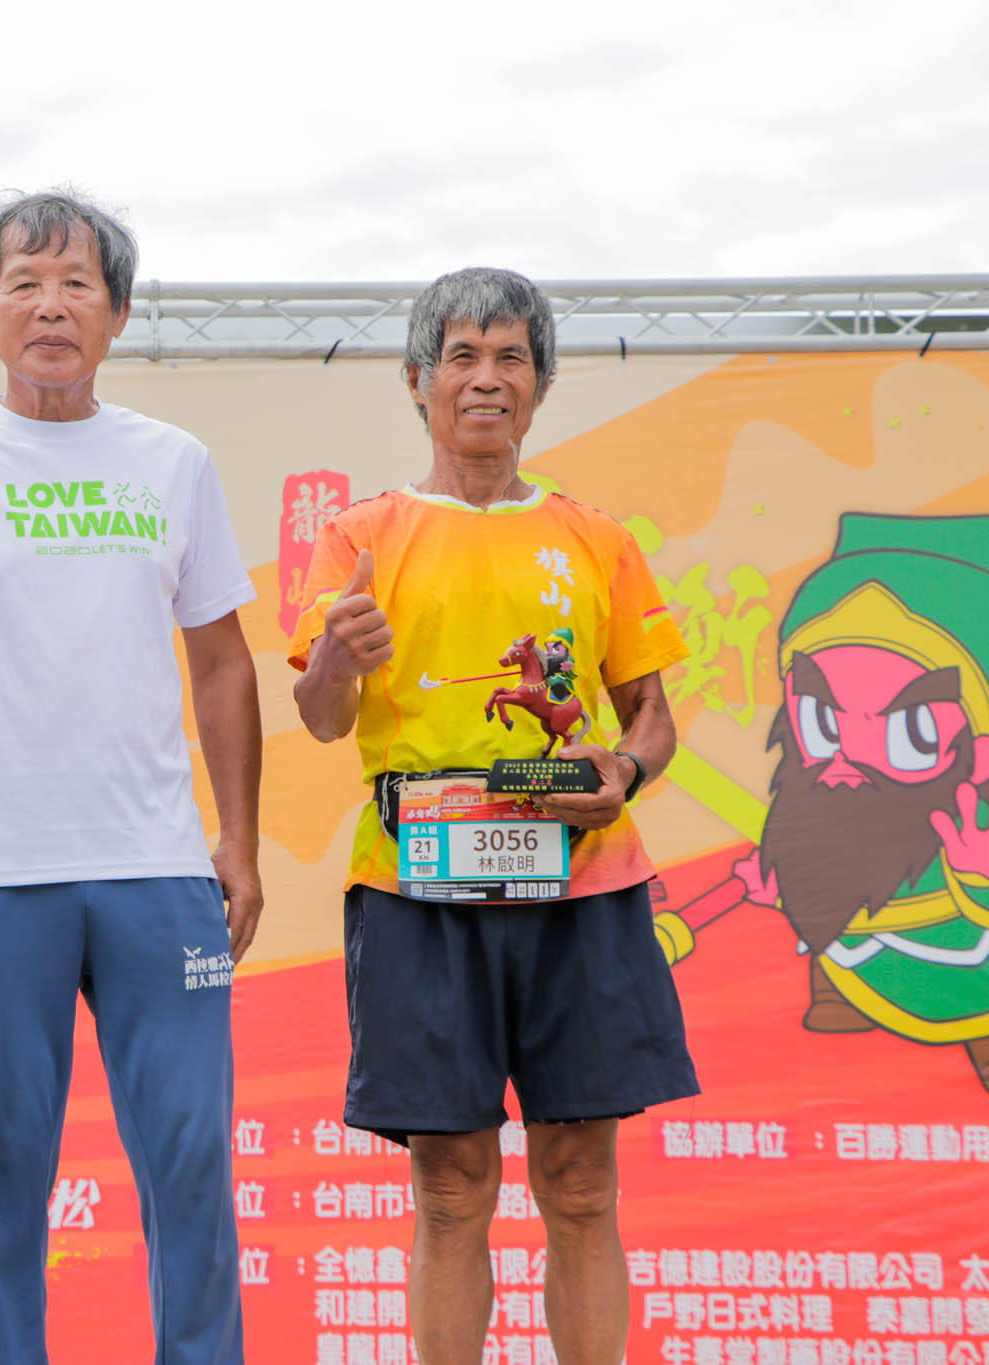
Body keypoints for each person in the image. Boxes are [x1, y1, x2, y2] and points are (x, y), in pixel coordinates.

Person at [0, 188, 262, 1365]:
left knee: (191, 1164)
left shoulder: (171, 462)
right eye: (22, 284)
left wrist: (236, 841)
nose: (48, 305)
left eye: (75, 283)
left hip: (155, 871)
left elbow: (221, 663)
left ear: (116, 313)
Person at [288, 267, 698, 1365]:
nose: (485, 378)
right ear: (416, 380)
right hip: (415, 886)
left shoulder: (594, 538)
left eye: (510, 357)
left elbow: (651, 716)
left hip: (582, 883)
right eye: (461, 356)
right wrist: (337, 657)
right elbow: (321, 717)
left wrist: (625, 769)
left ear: (540, 385)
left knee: (581, 1182)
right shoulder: (361, 534)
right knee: (449, 1186)